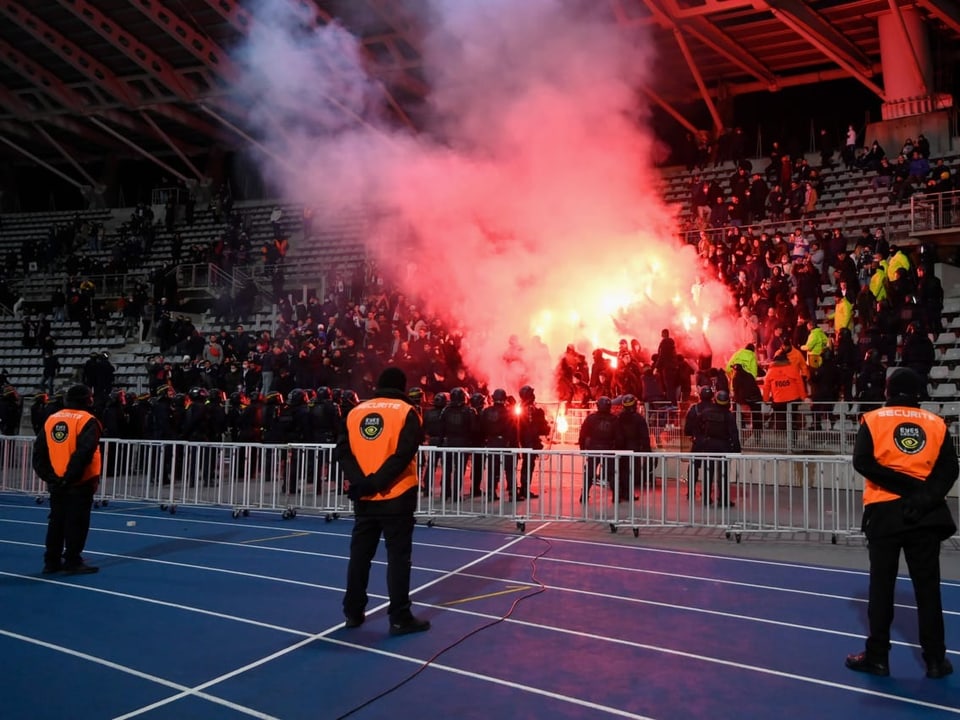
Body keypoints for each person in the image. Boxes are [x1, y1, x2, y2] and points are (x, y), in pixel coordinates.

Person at [845, 368, 957, 679]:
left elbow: (863, 462)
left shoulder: (874, 420)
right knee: (928, 590)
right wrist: (920, 495)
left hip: (884, 514)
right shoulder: (936, 423)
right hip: (925, 516)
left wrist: (902, 488)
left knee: (881, 588)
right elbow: (949, 470)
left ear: (888, 390)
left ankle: (878, 658)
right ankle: (936, 660)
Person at [336, 367, 430, 636]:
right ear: (403, 386)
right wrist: (377, 482)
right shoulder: (406, 412)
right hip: (397, 496)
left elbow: (343, 451)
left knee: (360, 556)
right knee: (398, 559)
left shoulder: (355, 412)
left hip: (363, 496)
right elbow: (403, 455)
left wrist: (361, 482)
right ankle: (399, 617)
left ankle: (353, 612)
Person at [31, 384, 103, 575]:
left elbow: (39, 454)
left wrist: (51, 477)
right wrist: (69, 477)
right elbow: (84, 452)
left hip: (56, 482)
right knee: (76, 523)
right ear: (87, 400)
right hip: (79, 482)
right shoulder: (88, 420)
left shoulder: (52, 419)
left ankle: (51, 561)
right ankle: (72, 560)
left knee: (56, 521)